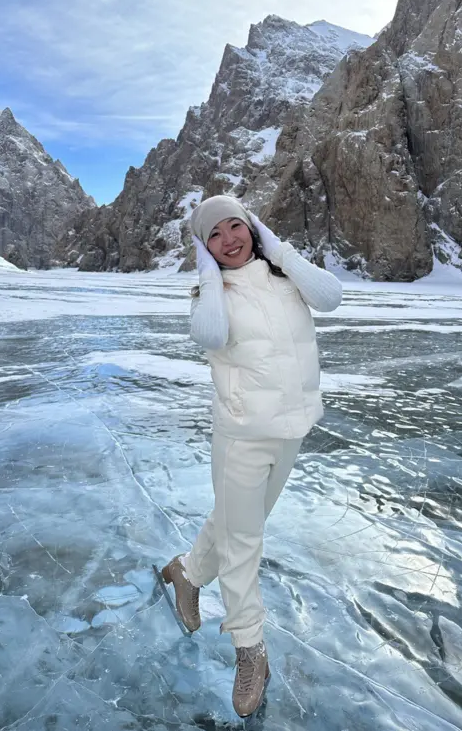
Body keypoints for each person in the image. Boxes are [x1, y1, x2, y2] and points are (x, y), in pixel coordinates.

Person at [159, 195, 343, 718]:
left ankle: (187, 573)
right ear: (203, 247)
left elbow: (331, 297)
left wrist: (279, 249)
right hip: (241, 435)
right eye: (213, 235)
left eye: (236, 226)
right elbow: (209, 333)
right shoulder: (209, 296)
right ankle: (250, 650)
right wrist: (211, 274)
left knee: (237, 523)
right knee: (243, 544)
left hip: (293, 428)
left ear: (253, 227)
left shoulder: (288, 279)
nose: (229, 240)